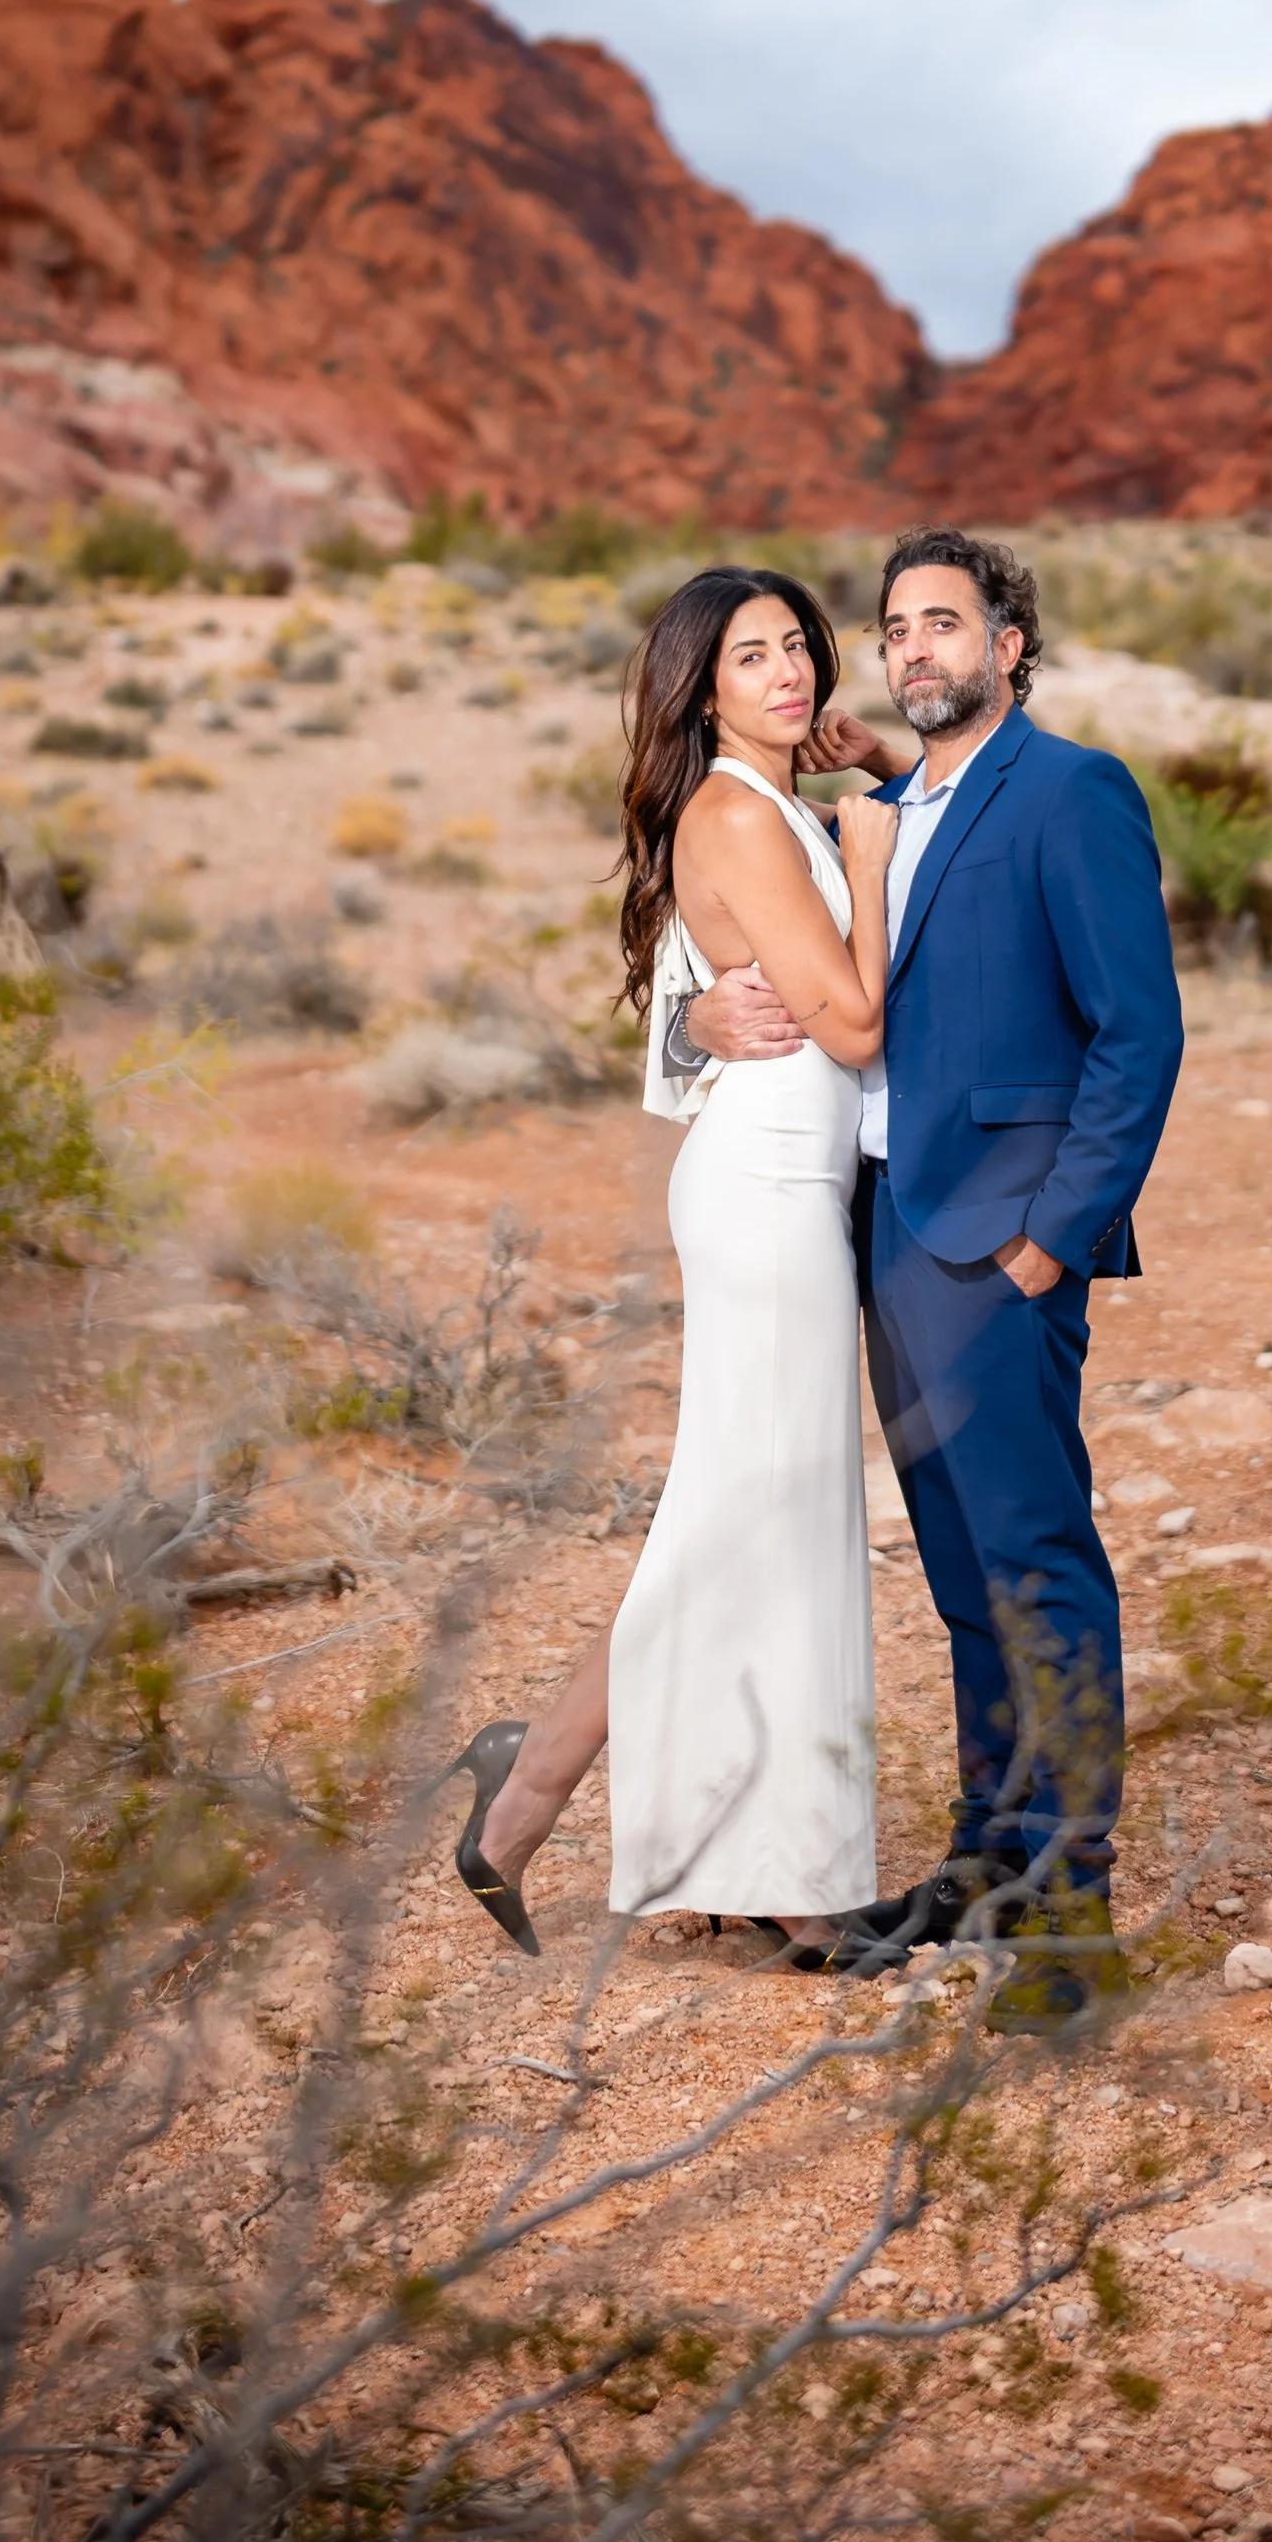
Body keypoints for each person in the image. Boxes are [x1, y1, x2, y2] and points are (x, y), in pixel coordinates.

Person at [684, 528, 1182, 2030]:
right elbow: (807, 920)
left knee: (1038, 1562)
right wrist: (697, 1018)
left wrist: (1055, 1232)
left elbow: (1135, 1035)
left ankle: (1071, 1909)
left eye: (945, 623)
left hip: (999, 1238)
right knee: (965, 1578)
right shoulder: (891, 802)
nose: (915, 648)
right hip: (891, 1227)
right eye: (895, 627)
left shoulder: (1071, 788)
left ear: (1008, 645)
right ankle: (987, 1856)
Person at [449, 567, 899, 1959]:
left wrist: (866, 779)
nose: (786, 674)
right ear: (702, 687)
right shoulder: (731, 810)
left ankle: (593, 1808)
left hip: (782, 1182)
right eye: (751, 655)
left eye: (799, 651)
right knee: (752, 1521)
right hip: (765, 1188)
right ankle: (590, 1814)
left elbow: (701, 1007)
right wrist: (869, 866)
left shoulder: (769, 803)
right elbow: (854, 1023)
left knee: (752, 1522)